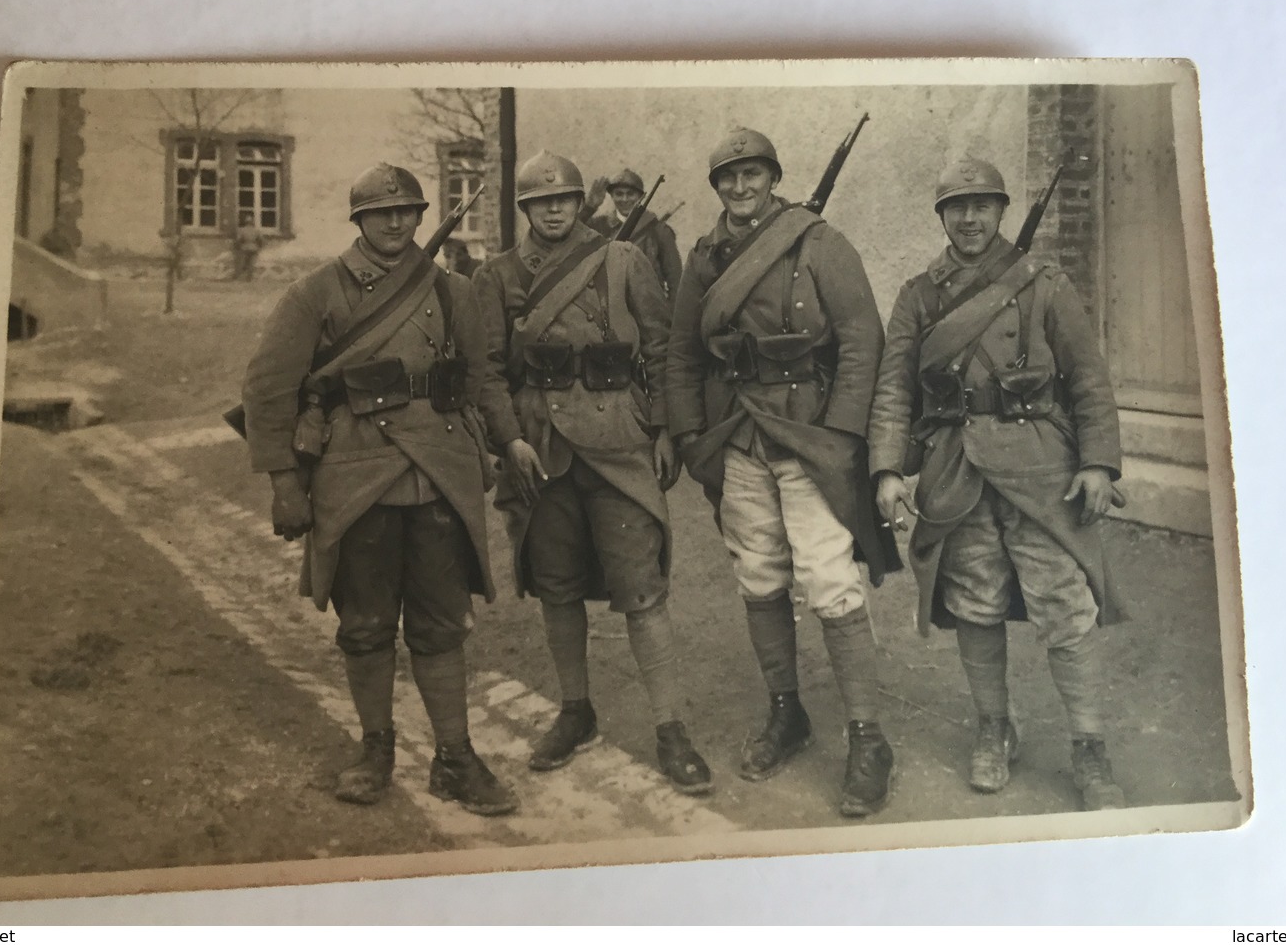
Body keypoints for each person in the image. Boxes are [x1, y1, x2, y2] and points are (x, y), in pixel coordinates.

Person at [240, 162, 518, 817]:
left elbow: (475, 380)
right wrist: (285, 484)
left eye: (406, 210)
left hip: (439, 482)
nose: (395, 222)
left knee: (442, 626)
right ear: (358, 220)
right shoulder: (317, 293)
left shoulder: (454, 291)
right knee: (365, 626)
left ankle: (455, 757)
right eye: (380, 212)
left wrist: (485, 449)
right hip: (356, 479)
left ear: (422, 216)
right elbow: (268, 388)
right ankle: (376, 747)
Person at [867, 156, 1127, 810]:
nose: (971, 217)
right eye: (957, 206)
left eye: (983, 204)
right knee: (975, 600)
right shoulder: (919, 293)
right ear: (942, 216)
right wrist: (888, 468)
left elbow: (1088, 378)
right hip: (957, 469)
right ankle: (995, 726)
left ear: (1002, 209)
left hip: (1042, 470)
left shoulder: (1043, 283)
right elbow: (895, 388)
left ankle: (1089, 747)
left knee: (1065, 605)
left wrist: (1097, 462)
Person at [667, 127, 902, 818]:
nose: (740, 188)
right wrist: (688, 435)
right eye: (727, 178)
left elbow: (863, 341)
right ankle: (786, 712)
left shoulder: (821, 243)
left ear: (773, 178)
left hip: (808, 435)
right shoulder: (704, 257)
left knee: (830, 582)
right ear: (718, 187)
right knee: (760, 575)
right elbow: (682, 354)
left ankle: (867, 737)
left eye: (752, 174)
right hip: (739, 434)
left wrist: (841, 434)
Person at [473, 149, 713, 795]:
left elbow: (661, 349)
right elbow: (488, 371)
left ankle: (671, 728)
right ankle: (575, 710)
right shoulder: (498, 276)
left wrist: (662, 428)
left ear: (582, 203)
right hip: (541, 446)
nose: (552, 210)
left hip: (619, 444)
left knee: (641, 587)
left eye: (563, 199)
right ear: (524, 209)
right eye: (539, 202)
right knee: (557, 586)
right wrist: (510, 439)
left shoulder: (624, 259)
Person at [586, 169, 684, 298]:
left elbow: (675, 278)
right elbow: (570, 236)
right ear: (612, 196)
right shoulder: (599, 226)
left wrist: (670, 315)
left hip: (649, 305)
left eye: (630, 194)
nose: (624, 199)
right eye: (619, 194)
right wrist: (589, 207)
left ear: (640, 196)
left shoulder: (659, 230)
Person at [233, 216, 262, 281]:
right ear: (252, 222)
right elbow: (261, 240)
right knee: (251, 264)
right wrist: (258, 246)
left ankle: (238, 277)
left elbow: (238, 240)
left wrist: (237, 246)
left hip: (244, 247)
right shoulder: (256, 230)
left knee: (241, 263)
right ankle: (249, 278)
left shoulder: (241, 230)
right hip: (254, 248)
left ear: (245, 222)